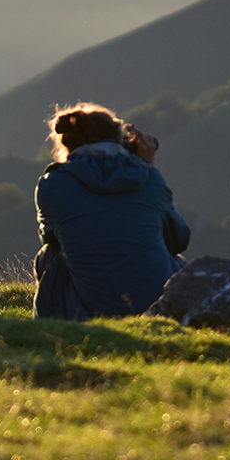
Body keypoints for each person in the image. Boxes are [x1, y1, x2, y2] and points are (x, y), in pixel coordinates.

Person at [34, 102, 189, 320]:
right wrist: (146, 167)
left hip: (86, 314)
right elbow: (178, 239)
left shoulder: (53, 184)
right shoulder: (149, 177)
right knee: (169, 252)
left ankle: (53, 325)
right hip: (159, 310)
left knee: (50, 253)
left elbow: (50, 236)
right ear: (121, 141)